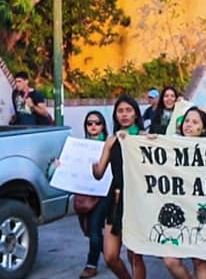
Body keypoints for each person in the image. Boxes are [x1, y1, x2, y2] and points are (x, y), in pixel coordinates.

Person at [92, 95, 146, 279]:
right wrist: (89, 166)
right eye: (120, 111)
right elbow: (99, 173)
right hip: (115, 199)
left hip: (137, 199)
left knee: (135, 256)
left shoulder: (143, 137)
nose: (124, 115)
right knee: (110, 256)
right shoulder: (111, 141)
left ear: (136, 114)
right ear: (115, 115)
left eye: (128, 110)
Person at [163, 107, 206, 279]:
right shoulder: (171, 144)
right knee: (171, 261)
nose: (189, 125)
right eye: (186, 121)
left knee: (200, 261)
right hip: (178, 209)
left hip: (202, 209)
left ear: (204, 128)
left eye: (195, 122)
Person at [77, 111, 109, 278]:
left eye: (97, 123)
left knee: (95, 229)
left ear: (103, 125)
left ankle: (91, 264)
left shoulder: (109, 144)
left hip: (102, 194)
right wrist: (59, 165)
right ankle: (109, 255)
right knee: (88, 229)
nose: (93, 126)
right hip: (84, 194)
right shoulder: (79, 146)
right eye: (90, 123)